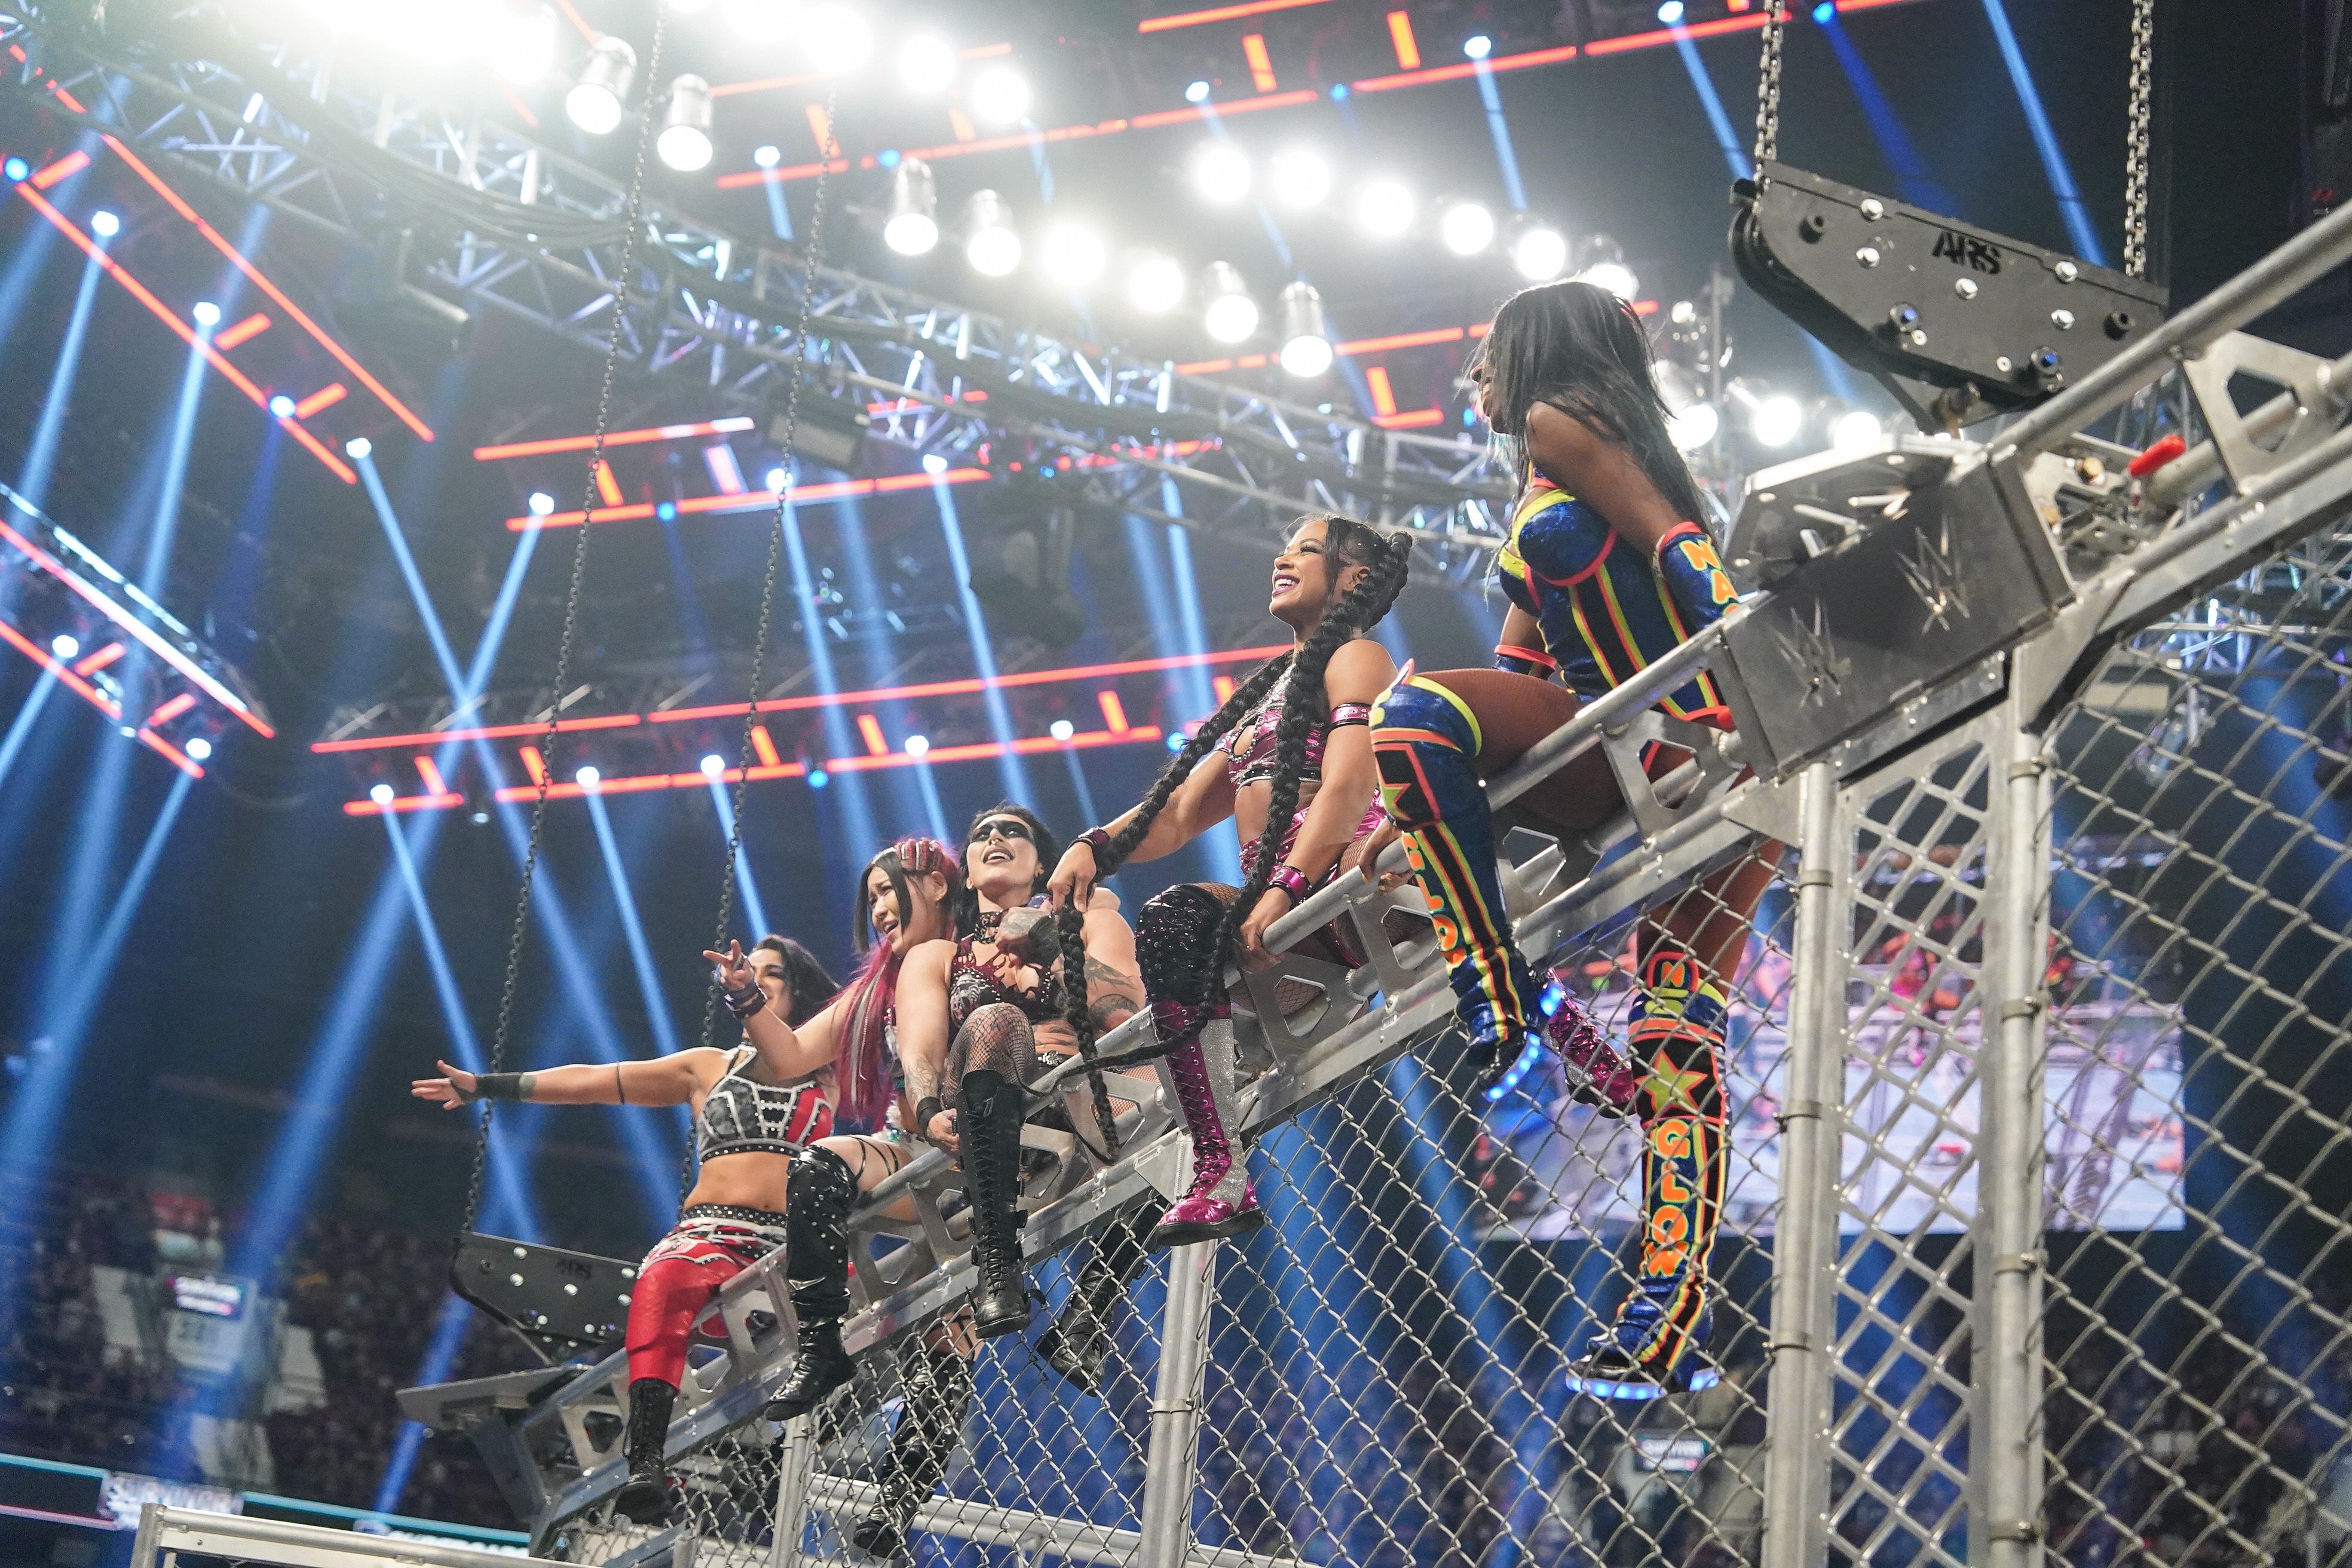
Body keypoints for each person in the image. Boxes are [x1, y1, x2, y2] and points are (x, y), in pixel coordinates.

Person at [1363, 279, 1777, 1396]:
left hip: (1687, 738)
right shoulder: (1538, 477)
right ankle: (1664, 1316)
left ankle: (1502, 990)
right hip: (1625, 744)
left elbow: (1676, 540)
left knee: (1674, 1029)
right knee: (1673, 1025)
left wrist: (1745, 648)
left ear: (1539, 350)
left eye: (1490, 353)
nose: (1475, 377)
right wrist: (1408, 814)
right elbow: (1520, 664)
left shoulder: (1565, 421)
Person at [765, 808, 1150, 1556]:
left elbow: (1121, 1011)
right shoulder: (938, 953)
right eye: (981, 835)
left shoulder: (1090, 918)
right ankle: (832, 1361)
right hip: (967, 1136)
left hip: (1079, 1108)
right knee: (824, 1170)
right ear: (964, 871)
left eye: (1015, 831)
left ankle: (1087, 1309)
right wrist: (929, 1103)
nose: (996, 838)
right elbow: (919, 1046)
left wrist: (1051, 952)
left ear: (1043, 864)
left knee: (1183, 1095)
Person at [1047, 514, 1435, 1249]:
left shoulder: (1357, 655)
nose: (1283, 556)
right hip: (1289, 921)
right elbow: (1178, 815)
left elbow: (1350, 785)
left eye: (1306, 548)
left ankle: (1569, 1030)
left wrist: (1284, 886)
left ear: (1353, 578)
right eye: (1283, 545)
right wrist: (1096, 845)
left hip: (1361, 884)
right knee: (1172, 919)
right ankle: (1219, 1170)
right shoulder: (1271, 690)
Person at [411, 935, 842, 1525]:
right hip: (711, 1234)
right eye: (753, 971)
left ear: (799, 992)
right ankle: (646, 1462)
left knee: (854, 1297)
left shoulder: (831, 1070)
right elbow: (592, 1080)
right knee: (660, 1279)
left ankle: (779, 1457)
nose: (758, 978)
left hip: (794, 1245)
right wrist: (486, 1086)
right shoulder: (704, 1066)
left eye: (773, 973)